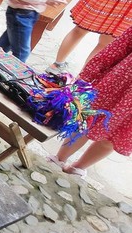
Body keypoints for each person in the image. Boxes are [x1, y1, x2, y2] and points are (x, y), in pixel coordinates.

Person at [48, 26, 132, 178]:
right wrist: (89, 73)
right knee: (89, 121)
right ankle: (59, 158)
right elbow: (118, 47)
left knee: (116, 137)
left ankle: (78, 167)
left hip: (123, 90)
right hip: (118, 86)